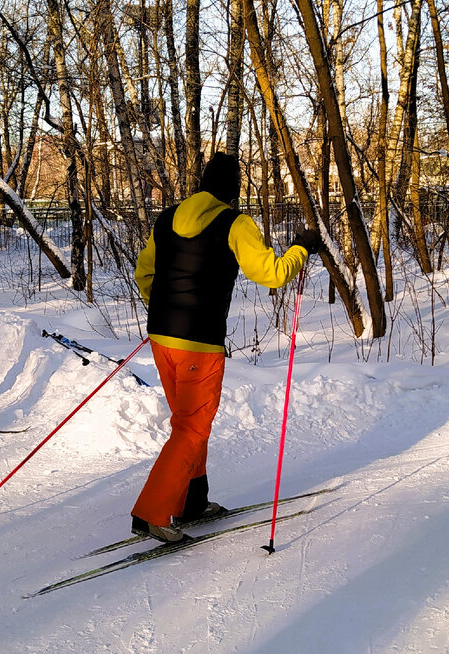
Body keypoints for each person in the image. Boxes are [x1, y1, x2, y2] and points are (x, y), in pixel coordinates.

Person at [131, 152, 321, 543]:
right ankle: (151, 512)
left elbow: (144, 272)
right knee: (193, 425)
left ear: (203, 183)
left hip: (162, 336)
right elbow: (270, 274)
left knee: (188, 421)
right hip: (198, 342)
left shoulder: (166, 218)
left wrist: (167, 308)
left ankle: (193, 501)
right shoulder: (235, 223)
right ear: (233, 189)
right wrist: (301, 249)